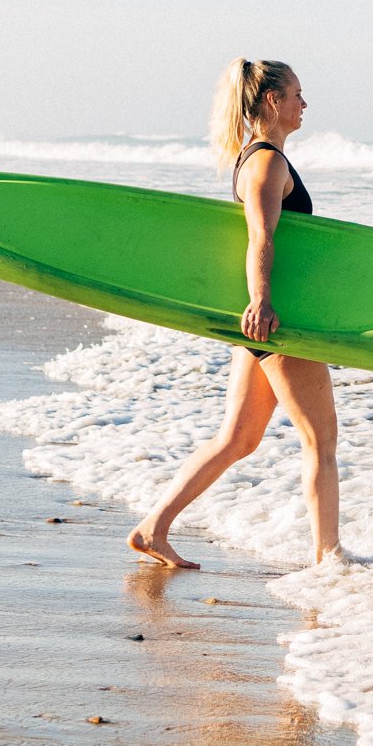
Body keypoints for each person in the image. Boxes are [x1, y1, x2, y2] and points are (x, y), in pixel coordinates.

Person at [128, 58, 344, 568]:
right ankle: (328, 558)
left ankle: (152, 528)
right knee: (321, 439)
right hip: (277, 319)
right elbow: (261, 237)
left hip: (262, 318)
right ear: (273, 101)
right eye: (296, 95)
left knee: (239, 439)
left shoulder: (254, 157)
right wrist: (263, 301)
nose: (303, 105)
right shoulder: (268, 163)